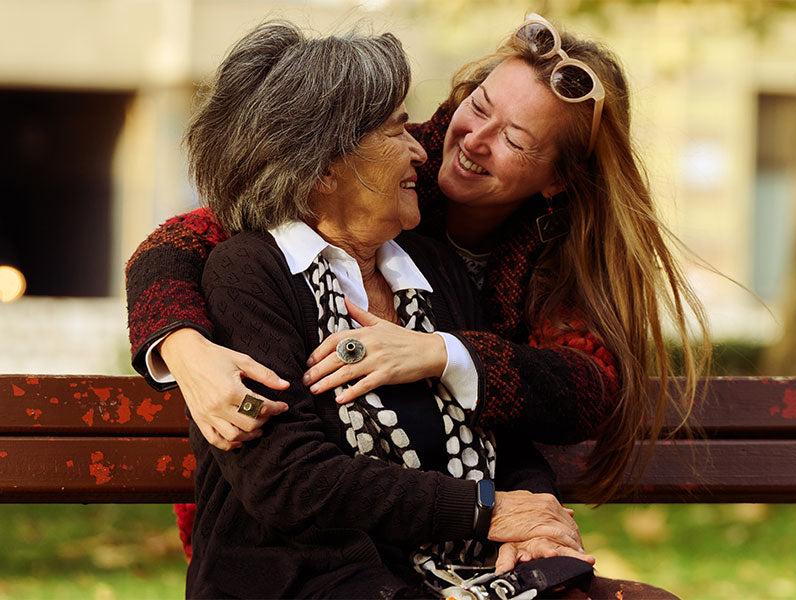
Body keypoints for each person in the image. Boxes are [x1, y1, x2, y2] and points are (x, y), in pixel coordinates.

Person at [126, 10, 709, 584]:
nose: (467, 142)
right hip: (308, 551)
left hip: (438, 541)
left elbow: (584, 388)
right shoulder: (363, 168)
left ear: (558, 179)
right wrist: (183, 348)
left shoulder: (526, 257)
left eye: (512, 138)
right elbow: (180, 246)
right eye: (476, 108)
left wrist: (446, 355)